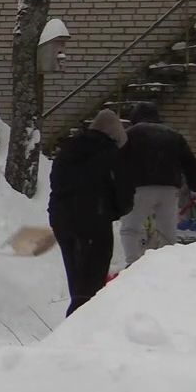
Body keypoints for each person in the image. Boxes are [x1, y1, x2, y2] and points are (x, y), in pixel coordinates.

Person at [48, 108, 133, 316]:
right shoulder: (110, 153)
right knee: (92, 279)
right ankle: (79, 327)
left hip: (62, 218)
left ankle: (79, 321)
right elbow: (124, 191)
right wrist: (115, 210)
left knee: (76, 275)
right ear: (115, 135)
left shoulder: (67, 149)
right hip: (94, 219)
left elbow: (56, 181)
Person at [116, 101, 196, 266]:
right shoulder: (173, 135)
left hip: (139, 188)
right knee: (167, 230)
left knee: (130, 228)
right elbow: (191, 163)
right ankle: (167, 266)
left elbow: (116, 161)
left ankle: (132, 264)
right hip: (169, 189)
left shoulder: (130, 134)